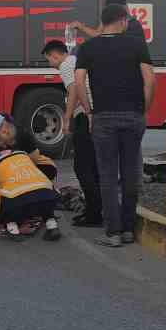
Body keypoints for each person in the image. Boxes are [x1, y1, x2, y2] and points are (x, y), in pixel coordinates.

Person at [73, 3, 155, 247]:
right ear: (122, 20)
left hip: (104, 117)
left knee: (108, 175)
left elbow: (79, 81)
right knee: (131, 173)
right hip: (133, 115)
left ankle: (113, 233)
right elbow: (149, 79)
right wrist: (145, 108)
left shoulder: (87, 47)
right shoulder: (137, 45)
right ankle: (129, 229)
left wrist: (88, 110)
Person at [43, 39, 101, 226]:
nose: (50, 64)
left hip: (85, 115)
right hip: (92, 113)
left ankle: (94, 214)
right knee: (92, 166)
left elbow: (74, 89)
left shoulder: (67, 65)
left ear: (55, 55)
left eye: (48, 60)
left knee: (82, 167)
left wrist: (66, 119)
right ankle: (95, 210)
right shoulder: (75, 61)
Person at [0, 138, 62, 241]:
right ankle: (52, 226)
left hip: (16, 205)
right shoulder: (21, 153)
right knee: (37, 190)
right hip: (49, 197)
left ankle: (12, 230)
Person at [75, 0, 146, 43]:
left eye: (110, 9)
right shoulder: (111, 20)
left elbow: (100, 36)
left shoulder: (133, 25)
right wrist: (81, 27)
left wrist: (82, 27)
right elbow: (98, 33)